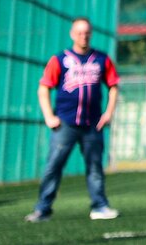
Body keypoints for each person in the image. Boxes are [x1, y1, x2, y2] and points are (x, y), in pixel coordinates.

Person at [24, 16, 120, 222]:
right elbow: (43, 88)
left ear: (91, 34)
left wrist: (109, 112)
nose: (83, 36)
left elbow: (113, 86)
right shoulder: (60, 59)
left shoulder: (101, 59)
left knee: (95, 167)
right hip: (65, 123)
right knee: (54, 166)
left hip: (93, 124)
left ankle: (100, 206)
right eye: (79, 32)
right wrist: (49, 116)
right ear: (72, 34)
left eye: (86, 32)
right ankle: (43, 209)